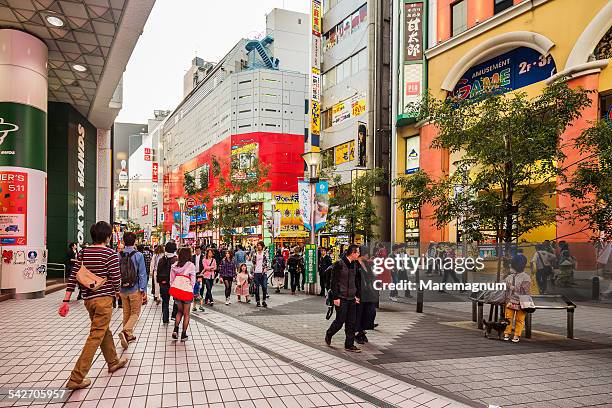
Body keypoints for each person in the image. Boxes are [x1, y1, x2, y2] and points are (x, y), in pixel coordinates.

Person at [59, 221, 127, 390]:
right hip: (104, 300)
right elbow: (116, 279)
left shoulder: (83, 252)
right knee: (96, 335)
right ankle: (76, 377)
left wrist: (66, 300)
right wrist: (117, 293)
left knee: (103, 330)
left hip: (89, 300)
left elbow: (74, 276)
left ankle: (113, 361)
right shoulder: (110, 254)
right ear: (107, 236)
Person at [325, 244, 362, 352]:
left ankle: (349, 345)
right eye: (358, 252)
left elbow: (357, 281)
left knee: (351, 322)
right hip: (341, 297)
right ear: (352, 253)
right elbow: (334, 282)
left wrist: (357, 295)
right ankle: (329, 333)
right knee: (340, 321)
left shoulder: (355, 264)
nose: (359, 254)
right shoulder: (339, 264)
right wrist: (335, 297)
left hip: (352, 298)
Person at [118, 232, 148, 349]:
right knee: (135, 313)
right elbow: (142, 274)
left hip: (123, 289)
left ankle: (128, 336)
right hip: (135, 289)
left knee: (126, 313)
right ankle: (126, 331)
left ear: (124, 242)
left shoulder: (119, 255)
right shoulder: (138, 255)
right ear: (135, 241)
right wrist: (143, 289)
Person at [503, 254, 531, 342]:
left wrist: (512, 287)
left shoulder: (526, 277)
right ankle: (507, 333)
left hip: (521, 302)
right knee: (508, 318)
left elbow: (525, 291)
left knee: (519, 319)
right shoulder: (510, 276)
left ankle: (516, 335)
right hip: (511, 300)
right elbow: (504, 286)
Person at [170, 247, 196, 342]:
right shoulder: (191, 266)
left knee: (179, 311)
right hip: (186, 292)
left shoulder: (174, 266)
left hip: (177, 291)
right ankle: (183, 334)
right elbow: (193, 280)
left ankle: (175, 330)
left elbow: (171, 280)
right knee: (186, 314)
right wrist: (190, 288)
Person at [356, 246, 377, 344]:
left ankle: (362, 330)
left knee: (370, 312)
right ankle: (359, 333)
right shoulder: (355, 264)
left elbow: (371, 276)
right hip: (359, 293)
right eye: (367, 253)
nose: (368, 255)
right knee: (359, 313)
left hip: (368, 292)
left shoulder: (366, 264)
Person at [157, 242, 178, 324]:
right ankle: (174, 315)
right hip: (174, 284)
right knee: (176, 300)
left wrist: (160, 281)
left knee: (165, 302)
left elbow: (158, 271)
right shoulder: (175, 260)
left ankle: (165, 319)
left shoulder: (162, 259)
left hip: (163, 283)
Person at [252, 241, 269, 307]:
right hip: (256, 272)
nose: (259, 246)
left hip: (263, 272)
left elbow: (267, 261)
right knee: (257, 288)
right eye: (258, 245)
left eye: (260, 245)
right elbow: (253, 262)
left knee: (264, 287)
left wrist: (266, 268)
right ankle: (258, 301)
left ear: (262, 246)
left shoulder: (265, 253)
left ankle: (264, 300)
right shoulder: (255, 253)